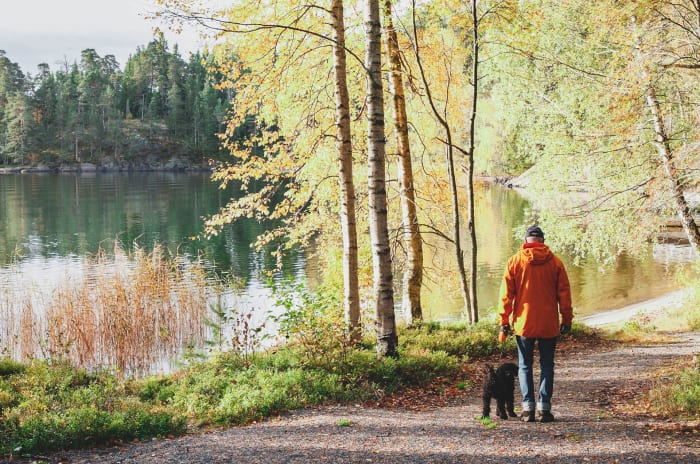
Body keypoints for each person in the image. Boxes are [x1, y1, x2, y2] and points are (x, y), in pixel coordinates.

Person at [498, 225, 573, 423]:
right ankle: (545, 410)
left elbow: (506, 295)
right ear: (542, 240)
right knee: (547, 365)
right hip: (548, 323)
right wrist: (567, 319)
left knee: (525, 366)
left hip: (524, 323)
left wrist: (503, 321)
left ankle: (527, 410)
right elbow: (564, 293)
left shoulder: (515, 262)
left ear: (526, 240)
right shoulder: (555, 263)